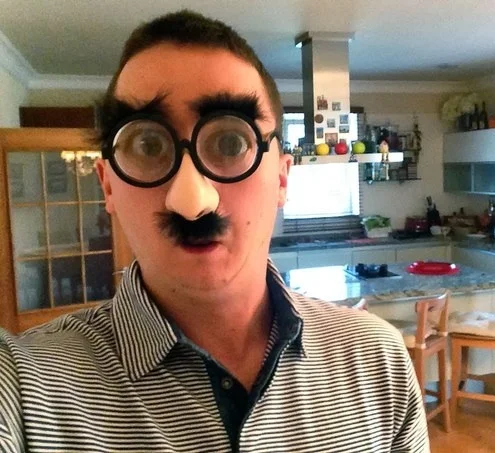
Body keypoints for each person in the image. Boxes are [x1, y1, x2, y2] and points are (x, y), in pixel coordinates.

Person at [0, 10, 429, 453]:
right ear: (108, 184)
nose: (192, 201)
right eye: (148, 145)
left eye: (230, 143)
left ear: (282, 178)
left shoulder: (379, 361)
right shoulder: (22, 385)